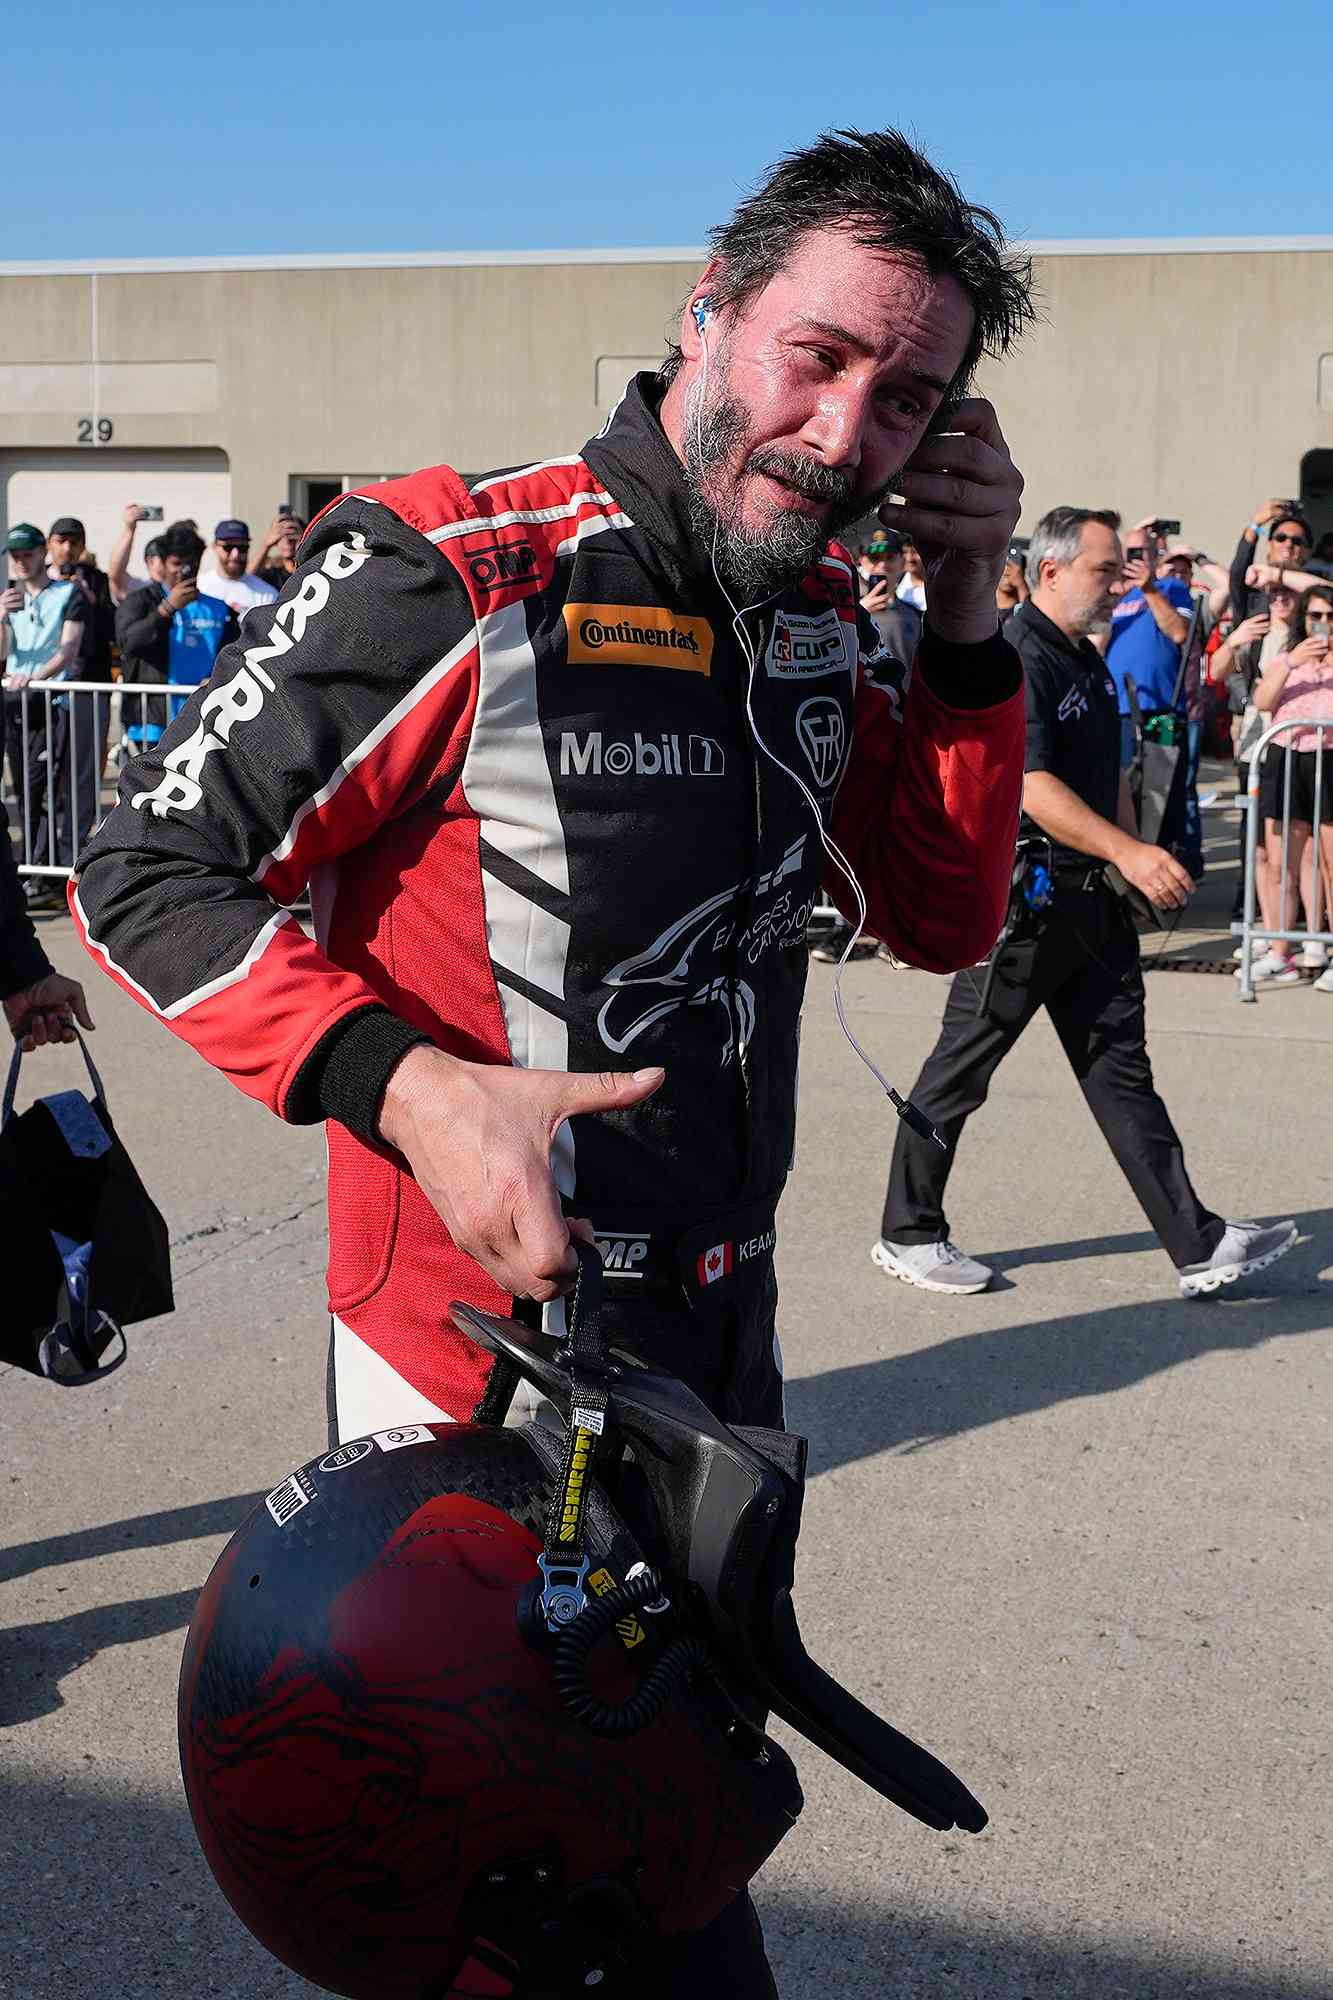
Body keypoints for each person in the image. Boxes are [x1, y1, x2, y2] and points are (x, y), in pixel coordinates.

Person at [73, 125, 1036, 1995]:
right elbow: (140, 868)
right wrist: (409, 1087)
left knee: (665, 1852)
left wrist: (974, 620)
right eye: (816, 357)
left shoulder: (828, 617)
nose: (848, 436)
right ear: (706, 316)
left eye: (907, 400)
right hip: (472, 1380)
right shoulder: (455, 562)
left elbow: (935, 919)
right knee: (504, 1911)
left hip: (713, 1357)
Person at [873, 505, 1296, 1301]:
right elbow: (1031, 786)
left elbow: (1106, 775)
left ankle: (1197, 1243)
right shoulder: (1018, 657)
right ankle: (909, 1231)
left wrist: (1137, 860)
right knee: (958, 1072)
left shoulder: (1084, 658)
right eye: (1104, 570)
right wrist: (1127, 852)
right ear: (1051, 572)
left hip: (1092, 906)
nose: (1117, 585)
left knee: (1120, 1072)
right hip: (1025, 911)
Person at [1248, 585, 1333, 991]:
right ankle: (1281, 950)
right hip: (1287, 757)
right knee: (1281, 861)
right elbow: (1263, 700)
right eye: (1316, 616)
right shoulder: (1289, 656)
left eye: (1331, 617)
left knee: (1329, 864)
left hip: (1329, 759)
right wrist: (1290, 661)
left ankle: (1326, 949)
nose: (1323, 625)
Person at [0, 524, 87, 905]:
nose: (20, 561)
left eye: (27, 554)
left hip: (51, 703)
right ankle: (33, 867)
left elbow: (67, 651)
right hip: (16, 703)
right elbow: (2, 654)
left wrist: (33, 678)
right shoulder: (8, 596)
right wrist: (1, 616)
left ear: (42, 554)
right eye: (15, 555)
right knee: (24, 789)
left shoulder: (68, 593)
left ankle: (45, 869)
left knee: (50, 789)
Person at [113, 523, 238, 756]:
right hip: (151, 721)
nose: (184, 571)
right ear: (162, 563)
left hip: (203, 721)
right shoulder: (140, 601)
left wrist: (216, 677)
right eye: (176, 564)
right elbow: (127, 643)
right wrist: (167, 609)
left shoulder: (220, 609)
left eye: (190, 564)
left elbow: (234, 655)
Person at [199, 519, 279, 617]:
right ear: (214, 547)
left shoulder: (267, 594)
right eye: (228, 547)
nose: (235, 554)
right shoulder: (200, 587)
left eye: (242, 548)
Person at [106, 503, 167, 605]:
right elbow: (116, 576)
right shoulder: (141, 589)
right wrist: (129, 530)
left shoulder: (186, 590)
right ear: (150, 561)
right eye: (164, 556)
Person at [251, 511, 307, 591]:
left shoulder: (310, 566)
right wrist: (266, 545)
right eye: (281, 536)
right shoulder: (272, 573)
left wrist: (303, 545)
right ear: (275, 541)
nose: (287, 541)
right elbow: (246, 580)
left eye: (292, 536)